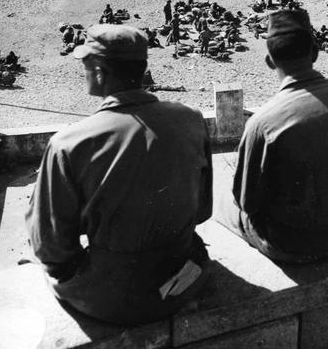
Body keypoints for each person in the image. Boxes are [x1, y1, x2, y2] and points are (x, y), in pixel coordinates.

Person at [26, 24, 212, 325]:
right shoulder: (190, 119)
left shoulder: (69, 144)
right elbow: (202, 211)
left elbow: (51, 249)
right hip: (185, 278)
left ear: (99, 71)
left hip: (113, 298)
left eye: (85, 65)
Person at [218, 9, 328, 262]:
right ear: (315, 53)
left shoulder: (263, 122)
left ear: (269, 61)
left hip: (292, 243)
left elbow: (247, 202)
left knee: (223, 202)